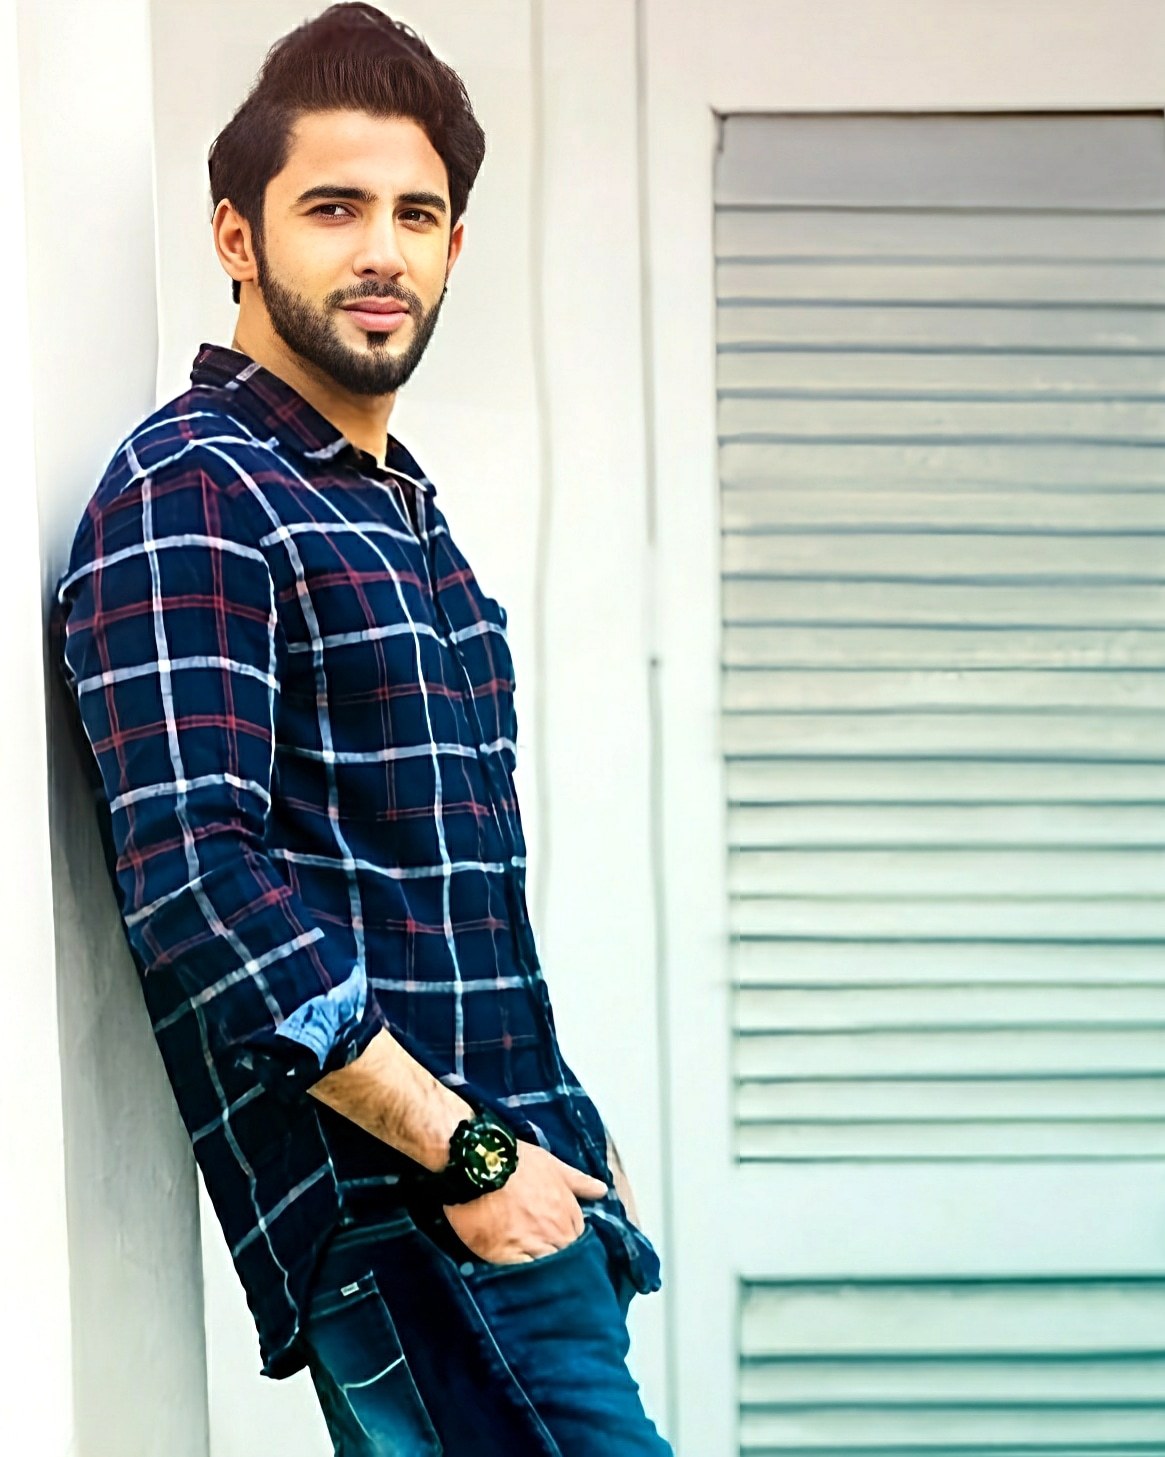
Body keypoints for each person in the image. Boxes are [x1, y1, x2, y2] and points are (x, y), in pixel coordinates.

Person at [51, 6, 672, 1454]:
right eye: (333, 208)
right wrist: (470, 1152)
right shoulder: (198, 488)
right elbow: (198, 877)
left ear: (455, 245)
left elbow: (449, 898)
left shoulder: (398, 509)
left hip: (515, 1202)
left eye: (416, 213)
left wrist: (559, 1140)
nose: (382, 249)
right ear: (237, 235)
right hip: (415, 1214)